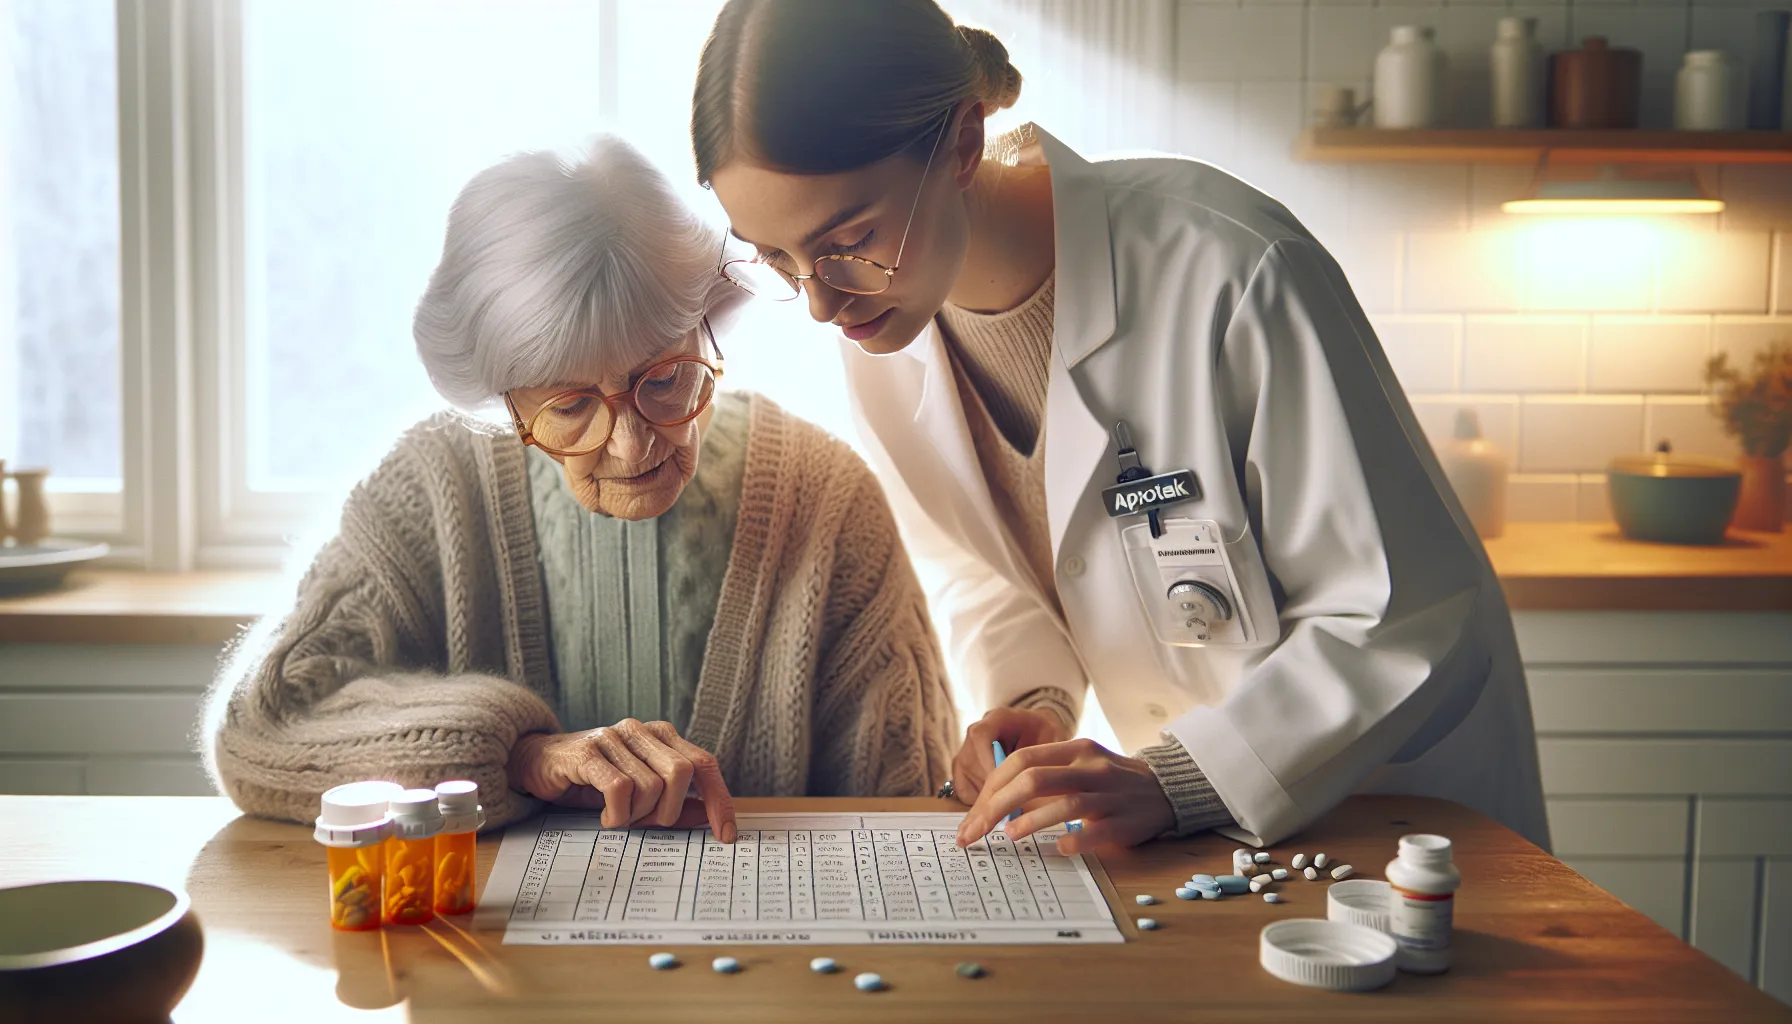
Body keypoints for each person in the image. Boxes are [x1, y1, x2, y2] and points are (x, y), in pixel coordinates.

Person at [692, 0, 1548, 853]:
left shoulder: (1230, 267)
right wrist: (1036, 705)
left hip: (1396, 821)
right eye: (775, 258)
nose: (819, 300)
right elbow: (987, 569)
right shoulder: (881, 329)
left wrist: (1186, 777)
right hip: (1203, 840)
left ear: (958, 144)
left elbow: (1402, 614)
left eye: (849, 239)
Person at [201, 136, 957, 835]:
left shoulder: (827, 499)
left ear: (707, 328)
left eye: (665, 379)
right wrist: (520, 754)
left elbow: (912, 815)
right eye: (568, 406)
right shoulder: (431, 490)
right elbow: (262, 726)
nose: (631, 444)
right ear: (506, 400)